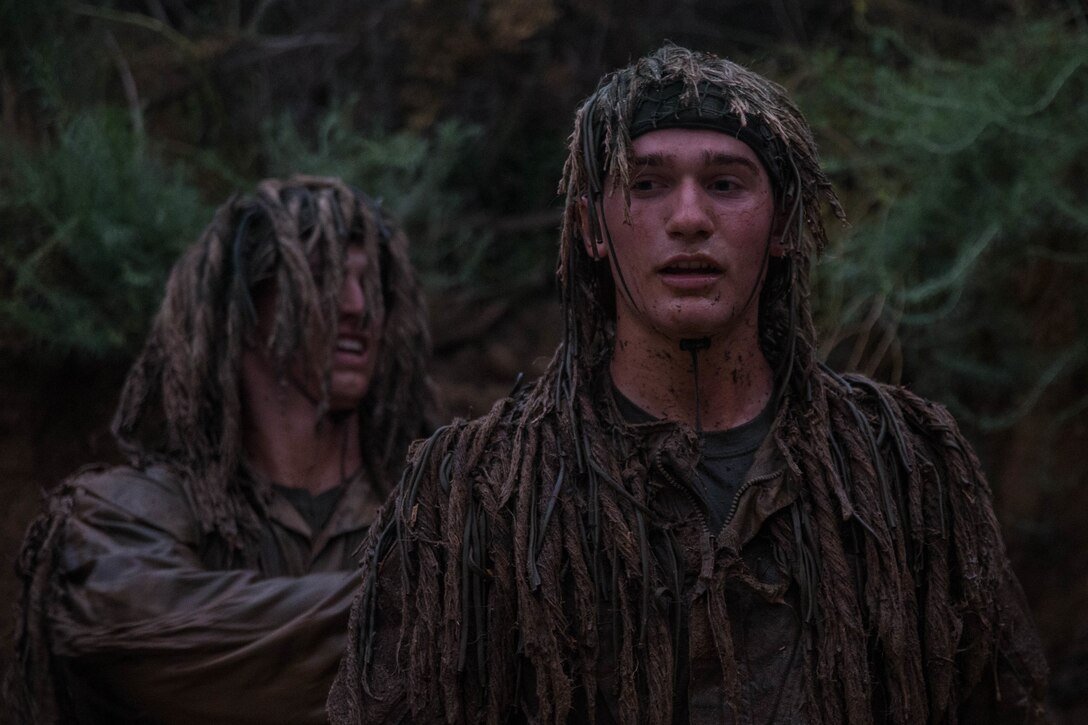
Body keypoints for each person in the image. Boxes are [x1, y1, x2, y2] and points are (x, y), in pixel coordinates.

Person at [327, 46, 1051, 724]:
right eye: (645, 184)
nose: (689, 219)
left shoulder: (905, 470)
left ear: (784, 222)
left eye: (726, 183)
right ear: (592, 228)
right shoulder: (473, 497)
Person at [6, 176, 436, 724]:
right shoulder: (116, 519)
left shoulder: (422, 512)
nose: (359, 308)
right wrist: (444, 595)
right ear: (244, 312)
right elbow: (151, 630)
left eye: (371, 284)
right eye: (325, 278)